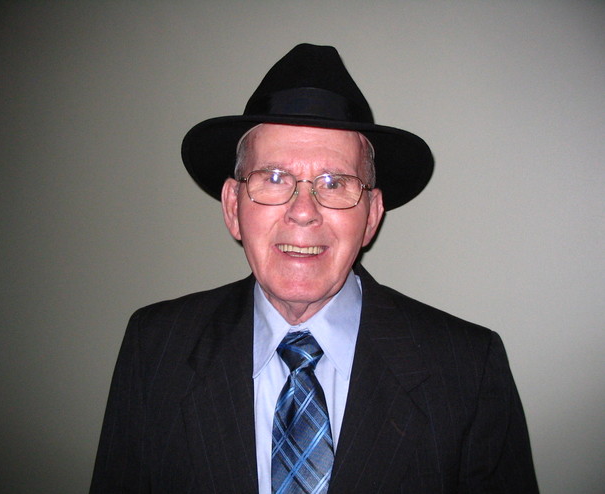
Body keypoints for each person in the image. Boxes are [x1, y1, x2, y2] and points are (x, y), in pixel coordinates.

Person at [90, 44, 538, 493]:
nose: (303, 212)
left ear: (372, 215)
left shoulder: (468, 369)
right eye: (274, 178)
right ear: (232, 207)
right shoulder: (155, 349)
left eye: (334, 182)